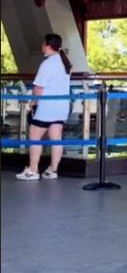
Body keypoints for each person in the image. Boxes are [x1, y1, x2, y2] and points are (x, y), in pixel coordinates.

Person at [16, 34, 72, 181]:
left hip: (47, 107)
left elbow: (39, 87)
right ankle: (53, 170)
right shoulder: (65, 62)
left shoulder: (47, 64)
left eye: (43, 43)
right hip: (61, 106)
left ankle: (33, 170)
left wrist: (34, 103)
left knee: (35, 136)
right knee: (56, 138)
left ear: (48, 45)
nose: (41, 46)